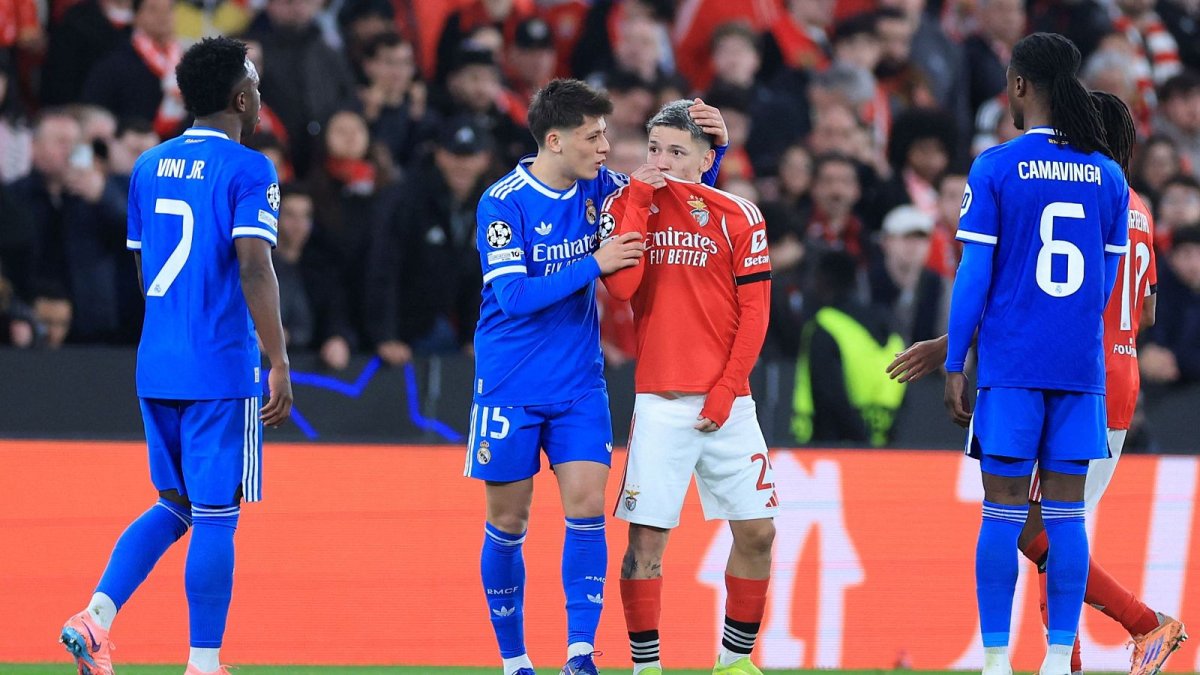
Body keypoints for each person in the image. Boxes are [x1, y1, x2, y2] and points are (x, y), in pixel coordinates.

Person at [888, 90, 1189, 675]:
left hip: (1069, 377)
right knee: (1049, 526)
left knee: (1037, 528)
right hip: (1115, 377)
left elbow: (1032, 300)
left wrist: (953, 347)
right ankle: (1082, 653)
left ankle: (1141, 624)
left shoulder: (1070, 190)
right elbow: (1145, 311)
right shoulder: (1135, 204)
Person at [467, 78, 727, 675]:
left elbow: (684, 205)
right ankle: (514, 661)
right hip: (510, 383)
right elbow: (511, 295)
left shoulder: (605, 190)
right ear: (555, 141)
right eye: (594, 135)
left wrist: (717, 150)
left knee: (587, 510)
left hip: (580, 383)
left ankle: (580, 654)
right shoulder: (503, 201)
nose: (607, 146)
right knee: (508, 522)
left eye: (607, 132)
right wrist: (595, 263)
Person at [58, 36, 293, 675]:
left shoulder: (147, 166)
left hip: (157, 360)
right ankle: (204, 663)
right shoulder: (250, 169)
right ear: (242, 98)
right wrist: (277, 358)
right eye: (255, 83)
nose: (260, 94)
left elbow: (144, 271)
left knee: (177, 505)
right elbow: (255, 266)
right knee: (217, 515)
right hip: (219, 364)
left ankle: (96, 618)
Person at [941, 32, 1129, 675]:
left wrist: (953, 361)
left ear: (1019, 85)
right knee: (1068, 516)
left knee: (1001, 513)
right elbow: (1102, 288)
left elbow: (973, 275)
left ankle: (996, 660)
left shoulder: (996, 166)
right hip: (1079, 370)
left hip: (1012, 367)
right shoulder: (1108, 175)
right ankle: (1055, 659)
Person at [597, 99, 773, 675]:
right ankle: (647, 668)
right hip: (662, 402)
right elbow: (621, 290)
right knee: (646, 545)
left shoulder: (739, 213)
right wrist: (640, 201)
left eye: (676, 151)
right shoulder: (627, 204)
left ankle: (734, 661)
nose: (662, 161)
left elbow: (756, 312)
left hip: (729, 403)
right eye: (654, 149)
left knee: (759, 532)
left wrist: (727, 389)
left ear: (705, 157)